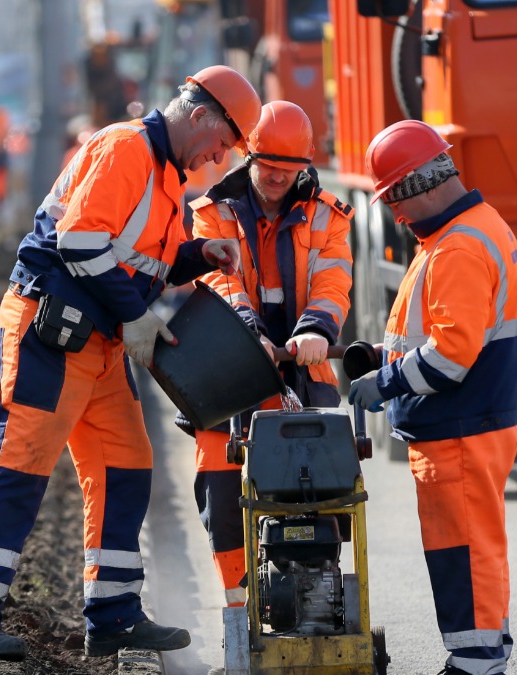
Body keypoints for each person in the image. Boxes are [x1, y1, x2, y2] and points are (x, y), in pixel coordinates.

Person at [0, 65, 261, 660]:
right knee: (20, 465)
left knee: (126, 463)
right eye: (225, 141)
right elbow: (80, 240)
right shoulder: (127, 149)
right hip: (50, 331)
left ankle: (113, 616)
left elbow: (139, 262)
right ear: (201, 117)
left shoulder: (165, 177)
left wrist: (196, 256)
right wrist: (136, 316)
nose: (221, 157)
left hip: (97, 338)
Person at [347, 120, 517, 675]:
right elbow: (433, 337)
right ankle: (483, 650)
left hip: (461, 425)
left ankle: (477, 661)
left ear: (416, 188)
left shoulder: (456, 249)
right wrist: (383, 356)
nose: (395, 217)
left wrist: (388, 381)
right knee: (470, 546)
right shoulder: (469, 232)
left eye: (394, 202)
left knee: (464, 551)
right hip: (468, 423)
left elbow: (450, 358)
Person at [186, 100, 353, 607]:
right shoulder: (212, 214)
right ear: (248, 157)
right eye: (268, 166)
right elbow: (219, 281)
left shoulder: (329, 217)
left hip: (302, 372)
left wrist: (317, 329)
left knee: (315, 490)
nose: (277, 178)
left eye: (288, 169)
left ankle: (313, 595)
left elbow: (332, 280)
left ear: (304, 166)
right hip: (230, 370)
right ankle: (239, 606)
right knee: (219, 484)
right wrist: (246, 332)